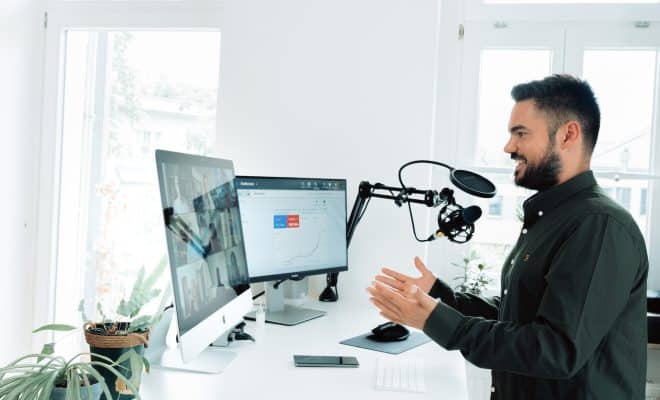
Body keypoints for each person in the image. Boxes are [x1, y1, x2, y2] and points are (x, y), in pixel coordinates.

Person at [367, 74, 649, 399]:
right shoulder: (550, 218)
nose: (508, 147)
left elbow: (556, 349)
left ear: (568, 134)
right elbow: (519, 311)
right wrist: (440, 296)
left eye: (521, 134)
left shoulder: (599, 226)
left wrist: (440, 321)